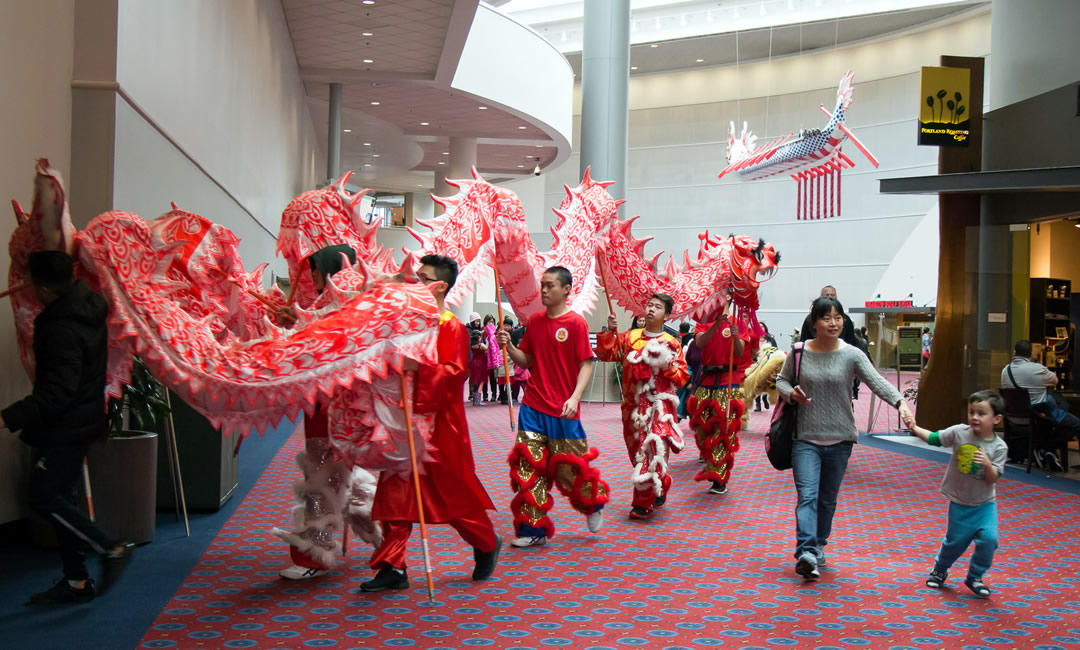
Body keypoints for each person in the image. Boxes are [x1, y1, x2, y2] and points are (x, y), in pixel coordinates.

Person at [1, 251, 135, 604]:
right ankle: (76, 580)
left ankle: (110, 549)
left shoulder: (61, 327)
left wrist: (9, 417)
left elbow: (59, 390)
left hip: (65, 427)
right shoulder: (83, 309)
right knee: (62, 498)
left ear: (42, 287)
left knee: (44, 496)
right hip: (79, 421)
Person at [361, 254, 500, 591]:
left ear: (439, 287)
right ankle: (393, 567)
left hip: (440, 427)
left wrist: (416, 368)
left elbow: (453, 375)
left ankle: (485, 542)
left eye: (422, 278)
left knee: (451, 498)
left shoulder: (449, 325)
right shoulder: (406, 324)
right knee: (394, 494)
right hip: (401, 419)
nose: (415, 282)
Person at [776, 295, 913, 581]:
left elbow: (876, 382)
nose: (833, 322)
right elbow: (782, 380)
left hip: (840, 438)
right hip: (806, 437)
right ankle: (806, 551)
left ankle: (819, 544)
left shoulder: (852, 354)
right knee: (807, 496)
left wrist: (900, 402)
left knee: (827, 500)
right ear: (814, 322)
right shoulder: (799, 351)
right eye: (826, 317)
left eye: (838, 317)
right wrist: (791, 394)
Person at [497, 266, 609, 547]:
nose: (544, 291)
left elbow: (586, 364)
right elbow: (527, 361)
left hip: (563, 410)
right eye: (542, 286)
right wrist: (509, 347)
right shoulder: (534, 322)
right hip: (533, 406)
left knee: (568, 471)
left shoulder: (576, 324)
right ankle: (532, 529)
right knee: (529, 466)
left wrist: (574, 397)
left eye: (550, 286)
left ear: (566, 289)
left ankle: (592, 504)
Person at [273, 244, 360, 580]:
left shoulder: (346, 305)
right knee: (325, 476)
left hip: (335, 406)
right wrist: (295, 324)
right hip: (325, 405)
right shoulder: (330, 304)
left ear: (330, 269)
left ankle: (314, 554)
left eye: (314, 269)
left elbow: (327, 348)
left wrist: (299, 325)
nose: (310, 276)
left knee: (323, 477)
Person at [901, 390, 1007, 598]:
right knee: (954, 543)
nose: (974, 417)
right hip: (960, 502)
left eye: (981, 413)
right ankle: (940, 569)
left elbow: (993, 478)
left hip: (985, 504)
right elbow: (934, 439)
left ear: (996, 419)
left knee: (989, 540)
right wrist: (914, 428)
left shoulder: (998, 447)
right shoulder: (960, 432)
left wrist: (987, 464)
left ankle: (975, 576)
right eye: (971, 412)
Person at [595, 294, 689, 520]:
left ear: (667, 315)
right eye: (649, 305)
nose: (651, 309)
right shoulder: (629, 337)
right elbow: (608, 354)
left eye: (657, 307)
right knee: (637, 454)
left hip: (659, 406)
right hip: (632, 407)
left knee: (651, 450)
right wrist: (610, 332)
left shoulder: (672, 342)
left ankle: (641, 503)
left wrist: (665, 364)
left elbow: (682, 378)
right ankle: (662, 481)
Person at [687, 309, 747, 495]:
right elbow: (700, 342)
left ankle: (719, 478)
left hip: (728, 379)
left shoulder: (736, 320)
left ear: (728, 297)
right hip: (706, 379)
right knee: (701, 426)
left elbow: (740, 351)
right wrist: (715, 324)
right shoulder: (702, 320)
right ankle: (708, 459)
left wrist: (735, 335)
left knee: (724, 428)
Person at [1000, 339, 1079, 472]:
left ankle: (1044, 450)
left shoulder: (1005, 371)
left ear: (1014, 352)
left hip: (1014, 418)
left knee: (1057, 420)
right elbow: (1055, 380)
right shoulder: (1037, 369)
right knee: (1074, 424)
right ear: (1030, 355)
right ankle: (1048, 448)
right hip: (1039, 417)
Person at [799, 285, 862, 397]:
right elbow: (803, 344)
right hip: (814, 367)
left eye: (832, 296)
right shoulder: (809, 320)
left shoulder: (846, 320)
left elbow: (851, 343)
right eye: (826, 295)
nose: (833, 324)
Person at [482, 315, 506, 404]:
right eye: (489, 322)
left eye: (492, 322)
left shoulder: (496, 333)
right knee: (484, 378)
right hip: (484, 358)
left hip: (493, 358)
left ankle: (494, 395)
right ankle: (485, 395)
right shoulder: (483, 333)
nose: (490, 324)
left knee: (494, 377)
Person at [468, 330, 488, 406]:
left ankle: (475, 399)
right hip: (481, 363)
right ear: (479, 338)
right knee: (481, 380)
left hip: (474, 362)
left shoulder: (472, 345)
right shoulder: (481, 345)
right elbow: (488, 349)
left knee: (475, 381)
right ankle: (478, 400)